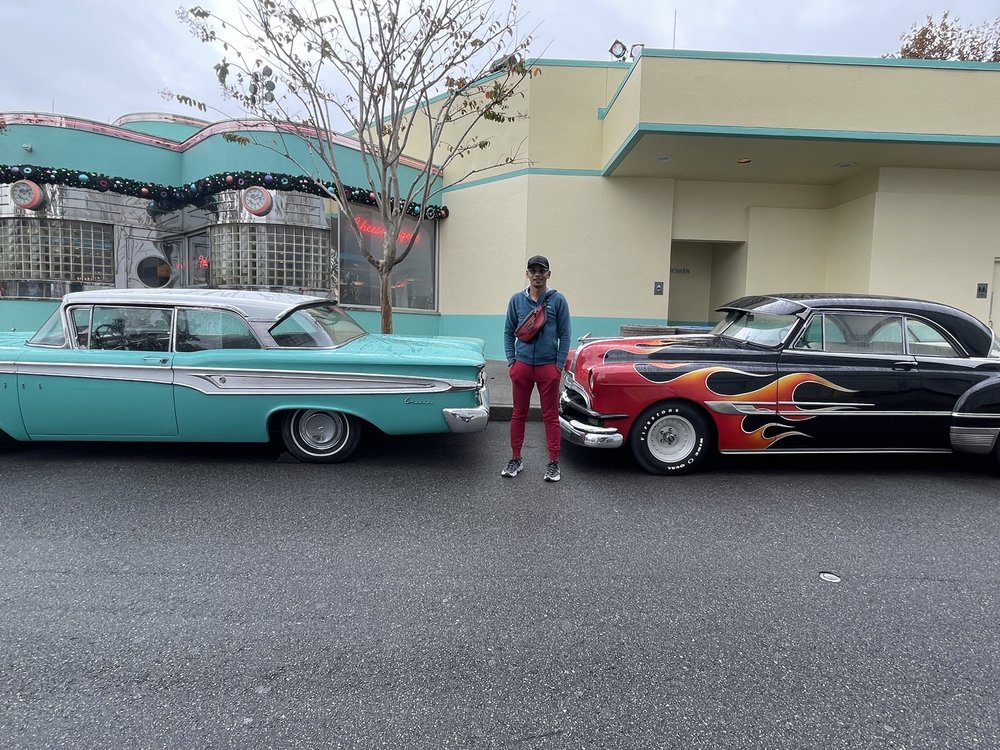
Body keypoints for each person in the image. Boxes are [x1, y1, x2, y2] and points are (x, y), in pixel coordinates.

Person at [501, 255, 571, 482]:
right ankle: (516, 458)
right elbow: (508, 332)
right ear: (527, 274)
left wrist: (558, 366)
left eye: (542, 270)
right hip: (521, 366)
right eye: (533, 270)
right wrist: (512, 362)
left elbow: (565, 335)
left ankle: (553, 462)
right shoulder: (516, 300)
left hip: (547, 367)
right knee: (518, 414)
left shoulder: (558, 301)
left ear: (548, 274)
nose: (537, 274)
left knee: (550, 416)